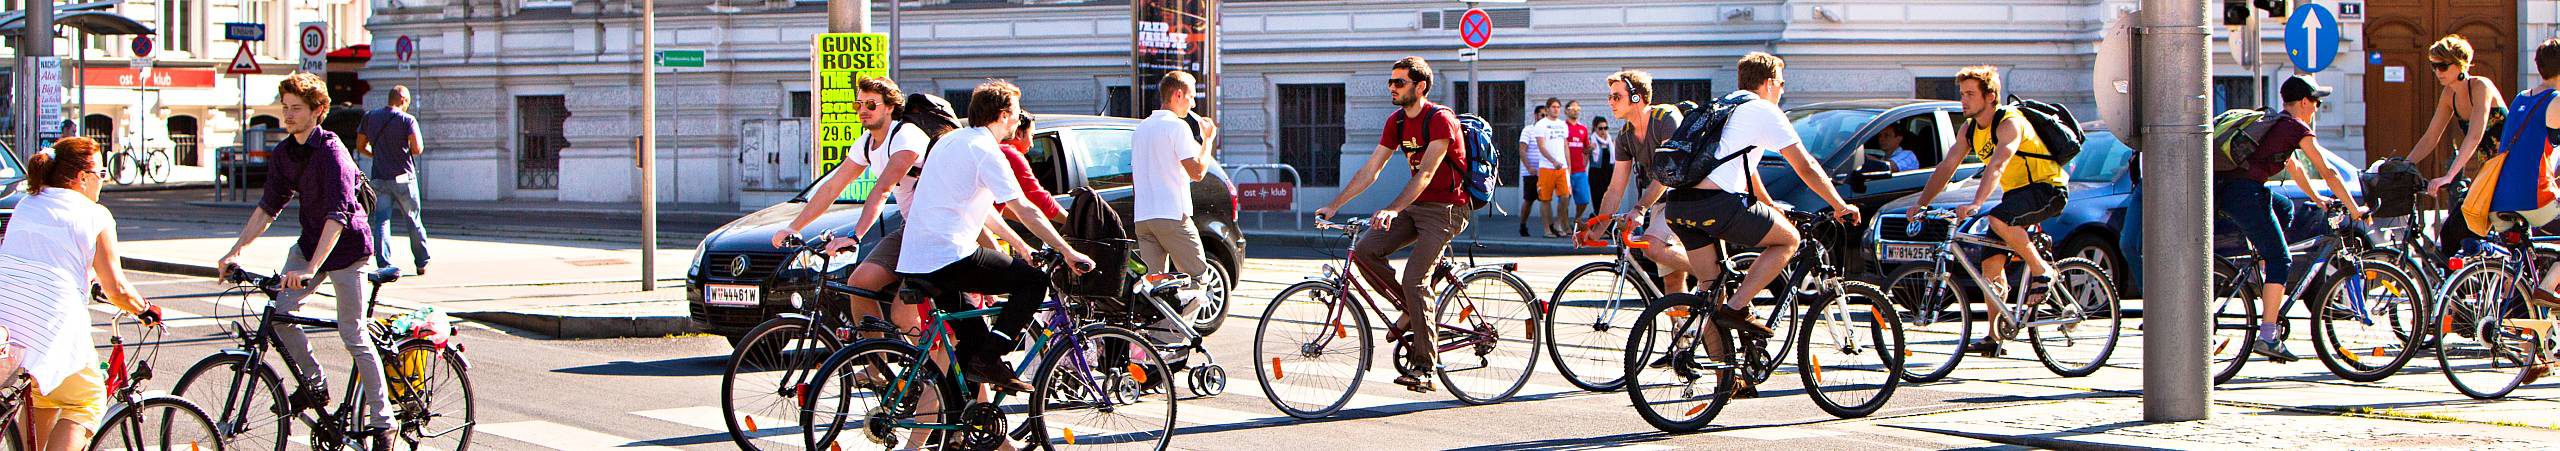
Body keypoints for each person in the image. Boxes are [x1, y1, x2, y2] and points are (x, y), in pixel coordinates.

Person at [213, 73, 394, 441]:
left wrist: (312, 269)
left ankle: (383, 420)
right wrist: (235, 251)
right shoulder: (285, 153)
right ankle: (315, 383)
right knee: (279, 315)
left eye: (296, 109)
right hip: (310, 244)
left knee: (353, 332)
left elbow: (338, 216)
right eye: (285, 107)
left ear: (319, 111)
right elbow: (268, 207)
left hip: (348, 250)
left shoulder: (332, 152)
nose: (288, 115)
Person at [1651, 52, 1860, 358]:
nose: (1783, 90)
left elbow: (1746, 171)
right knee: (1790, 239)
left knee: (1711, 291)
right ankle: (1737, 309)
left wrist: (1770, 205)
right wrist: (1839, 204)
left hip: (1680, 205)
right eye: (1782, 83)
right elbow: (1806, 166)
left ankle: (1729, 378)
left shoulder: (1725, 105)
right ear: (1770, 82)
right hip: (1717, 203)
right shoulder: (1764, 110)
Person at [895, 81, 1094, 393]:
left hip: (919, 258)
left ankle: (964, 424)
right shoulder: (986, 150)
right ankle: (991, 358)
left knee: (971, 347)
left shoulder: (952, 141)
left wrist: (1022, 246)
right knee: (1032, 282)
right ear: (1002, 115)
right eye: (1015, 113)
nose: (1019, 119)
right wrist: (1067, 251)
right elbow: (1026, 208)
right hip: (949, 255)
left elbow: (985, 211)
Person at [1313, 56, 1474, 392]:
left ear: (1421, 86)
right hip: (1415, 206)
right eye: (1391, 82)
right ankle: (1411, 312)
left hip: (1447, 208)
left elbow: (1427, 173)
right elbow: (1371, 169)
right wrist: (1334, 205)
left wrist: (1392, 209)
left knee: (1416, 279)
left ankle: (1425, 369)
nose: (1392, 87)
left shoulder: (1440, 119)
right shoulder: (1397, 122)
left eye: (1399, 82)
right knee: (1367, 250)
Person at [0, 137, 159, 451]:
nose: (103, 181)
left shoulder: (28, 202)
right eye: (100, 174)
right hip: (49, 325)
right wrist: (144, 309)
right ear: (81, 178)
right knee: (86, 400)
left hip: (9, 323)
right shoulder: (95, 215)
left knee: (46, 395)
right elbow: (117, 288)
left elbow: (43, 256)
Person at [1905, 66, 2072, 357]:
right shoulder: (1969, 129)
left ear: (1990, 96)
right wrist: (1921, 203)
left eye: (1971, 94)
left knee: (1996, 217)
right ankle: (1995, 337)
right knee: (1990, 267)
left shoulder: (2010, 122)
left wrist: (1977, 204)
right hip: (2017, 195)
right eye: (1962, 94)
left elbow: (1998, 164)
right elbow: (1947, 167)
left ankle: (2040, 269)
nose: (1964, 100)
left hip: (2048, 189)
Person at [772, 76, 936, 337]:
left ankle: (930, 372)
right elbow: (831, 187)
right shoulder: (866, 143)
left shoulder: (906, 136)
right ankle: (877, 370)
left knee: (903, 315)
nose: (862, 111)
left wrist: (855, 236)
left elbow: (882, 189)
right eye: (858, 104)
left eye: (871, 105)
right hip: (910, 230)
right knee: (859, 284)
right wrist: (793, 227)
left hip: (935, 231)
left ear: (890, 107)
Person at [2224, 74, 2372, 362]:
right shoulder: (2294, 127)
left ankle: (2265, 265)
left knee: (2284, 207)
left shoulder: (2278, 124)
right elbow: (2327, 170)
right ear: (2304, 102)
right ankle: (2268, 336)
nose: (2316, 108)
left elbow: (2295, 168)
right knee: (2283, 260)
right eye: (2315, 102)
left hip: (2238, 190)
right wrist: (2354, 209)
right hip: (2243, 193)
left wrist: (2318, 200)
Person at [1584, 69, 1693, 297]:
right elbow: (1615, 189)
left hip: (1689, 195)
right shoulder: (1624, 136)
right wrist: (1597, 230)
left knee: (1651, 245)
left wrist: (1639, 208)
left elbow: (1667, 172)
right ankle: (1684, 332)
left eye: (1616, 97)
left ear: (1637, 97)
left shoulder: (1665, 118)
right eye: (1610, 97)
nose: (1611, 102)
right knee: (1672, 280)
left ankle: (1712, 274)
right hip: (1662, 202)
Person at [1131, 72, 1217, 352]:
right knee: (1199, 278)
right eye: (1191, 96)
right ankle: (1173, 346)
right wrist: (1208, 141)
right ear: (1178, 95)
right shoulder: (1177, 128)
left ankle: (1148, 353)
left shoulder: (1141, 128)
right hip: (1172, 214)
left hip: (1143, 216)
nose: (1193, 103)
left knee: (1155, 290)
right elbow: (1198, 172)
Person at [2409, 35, 2510, 261]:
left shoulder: (2481, 86)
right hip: (2489, 174)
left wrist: (2448, 176)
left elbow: (2475, 134)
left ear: (2460, 64)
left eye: (2442, 66)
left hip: (2508, 169)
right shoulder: (2449, 95)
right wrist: (2406, 164)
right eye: (2434, 66)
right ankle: (2460, 294)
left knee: (2476, 234)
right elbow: (2431, 136)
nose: (2437, 71)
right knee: (2451, 234)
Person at [355, 86, 429, 275]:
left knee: (381, 221)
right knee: (413, 219)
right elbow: (417, 148)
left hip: (379, 177)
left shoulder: (370, 117)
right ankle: (421, 262)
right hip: (404, 178)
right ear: (403, 100)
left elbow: (360, 146)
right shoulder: (407, 120)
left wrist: (378, 154)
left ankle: (384, 265)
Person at [1533, 98, 1572, 237]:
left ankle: (1558, 224)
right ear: (1548, 108)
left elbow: (1565, 145)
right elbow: (1541, 146)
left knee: (1565, 197)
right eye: (1553, 107)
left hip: (1562, 168)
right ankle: (1547, 229)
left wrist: (1569, 166)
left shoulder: (1563, 125)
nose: (1556, 109)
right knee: (1545, 199)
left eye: (1558, 107)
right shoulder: (1541, 124)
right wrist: (1553, 161)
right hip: (1546, 167)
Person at [1518, 105, 1551, 237]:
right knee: (1529, 200)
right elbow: (1522, 150)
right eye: (1542, 115)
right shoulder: (1528, 130)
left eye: (1546, 115)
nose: (1544, 118)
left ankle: (1548, 229)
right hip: (1531, 173)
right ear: (1536, 115)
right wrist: (1529, 167)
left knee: (1545, 200)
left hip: (1545, 171)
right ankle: (1522, 224)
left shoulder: (1547, 131)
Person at [1564, 101, 1595, 224]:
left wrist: (1590, 148)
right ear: (1566, 111)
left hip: (1580, 170)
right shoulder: (1562, 127)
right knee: (1564, 200)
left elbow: (1585, 149)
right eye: (1573, 108)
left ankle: (1577, 219)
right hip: (1565, 170)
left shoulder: (1582, 129)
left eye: (1578, 108)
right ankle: (1564, 224)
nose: (1576, 110)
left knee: (1584, 200)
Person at [1588, 117, 1616, 208]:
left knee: (1609, 198)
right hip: (1596, 173)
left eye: (1605, 128)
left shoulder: (1610, 141)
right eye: (1600, 128)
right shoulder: (1591, 140)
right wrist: (1589, 149)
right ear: (1595, 128)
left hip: (1608, 172)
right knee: (1597, 198)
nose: (1603, 131)